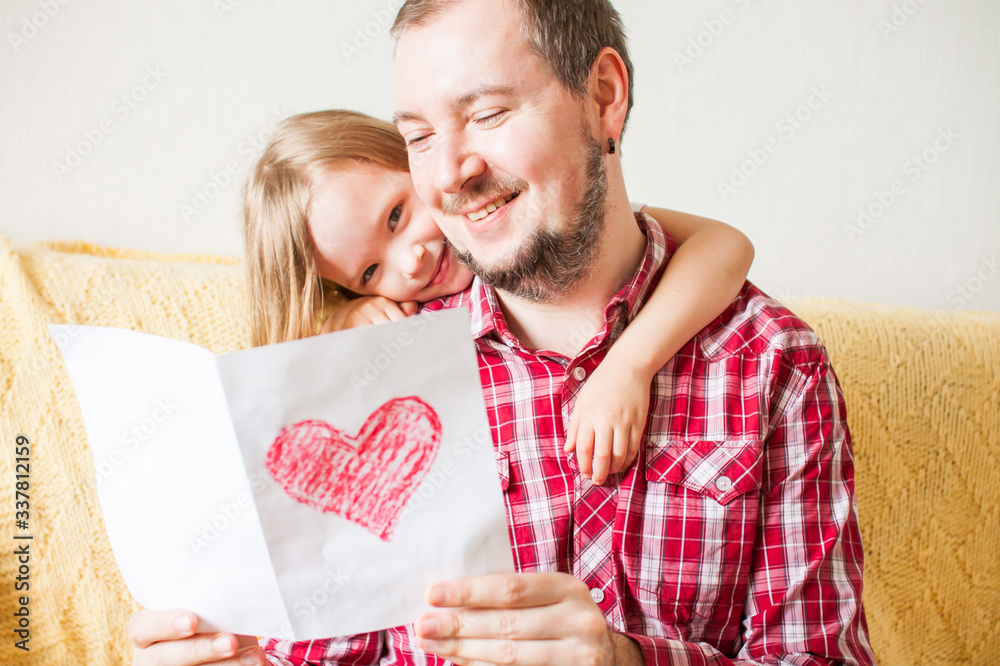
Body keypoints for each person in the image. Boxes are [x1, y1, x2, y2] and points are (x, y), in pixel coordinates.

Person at [129, 0, 876, 664]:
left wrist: (625, 662)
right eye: (418, 136)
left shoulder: (772, 364)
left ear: (605, 97)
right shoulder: (380, 369)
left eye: (486, 113)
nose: (449, 174)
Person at [243, 109, 753, 486]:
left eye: (396, 216)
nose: (409, 262)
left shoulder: (553, 226)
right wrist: (340, 322)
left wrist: (629, 366)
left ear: (419, 159)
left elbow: (726, 244)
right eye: (371, 270)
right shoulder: (400, 322)